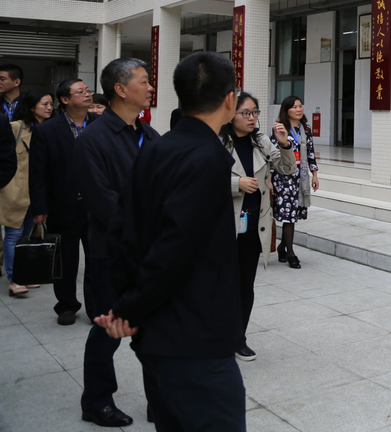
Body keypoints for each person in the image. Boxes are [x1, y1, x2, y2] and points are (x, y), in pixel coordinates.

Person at [98, 52, 245, 432]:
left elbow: (121, 233)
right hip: (194, 339)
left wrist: (127, 303)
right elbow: (174, 251)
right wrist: (128, 309)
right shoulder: (207, 158)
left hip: (158, 336)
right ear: (229, 100)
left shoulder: (157, 147)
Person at [73, 59, 160, 428]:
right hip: (113, 253)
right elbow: (102, 201)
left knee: (155, 329)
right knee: (108, 328)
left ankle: (160, 399)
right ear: (121, 90)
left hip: (151, 253)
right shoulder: (93, 140)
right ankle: (96, 401)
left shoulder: (150, 136)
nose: (151, 87)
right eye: (144, 81)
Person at [220, 92, 294, 362]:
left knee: (245, 285)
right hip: (224, 226)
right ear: (231, 114)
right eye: (245, 113)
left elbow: (287, 169)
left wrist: (285, 144)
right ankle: (218, 336)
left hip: (253, 225)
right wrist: (235, 184)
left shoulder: (261, 141)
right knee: (222, 285)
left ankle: (239, 338)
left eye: (255, 113)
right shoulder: (218, 141)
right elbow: (202, 178)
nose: (251, 118)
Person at [28, 79, 97, 324]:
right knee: (66, 260)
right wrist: (39, 208)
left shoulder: (100, 124)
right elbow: (37, 172)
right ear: (64, 100)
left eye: (87, 90)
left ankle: (97, 306)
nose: (87, 94)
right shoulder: (47, 130)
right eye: (80, 92)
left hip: (96, 205)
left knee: (98, 259)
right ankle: (67, 305)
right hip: (63, 204)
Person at [1, 90, 51, 295]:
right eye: (44, 104)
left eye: (51, 104)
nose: (49, 108)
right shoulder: (16, 127)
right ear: (31, 107)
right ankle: (14, 279)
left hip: (37, 191)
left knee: (29, 235)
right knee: (14, 233)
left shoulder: (50, 130)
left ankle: (26, 275)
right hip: (15, 190)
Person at [270, 96, 318, 269]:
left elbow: (311, 153)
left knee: (294, 214)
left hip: (301, 176)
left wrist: (314, 175)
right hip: (284, 177)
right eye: (294, 107)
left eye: (300, 106)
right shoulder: (279, 128)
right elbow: (271, 156)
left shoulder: (305, 129)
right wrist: (269, 180)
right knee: (289, 216)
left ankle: (282, 247)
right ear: (286, 110)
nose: (298, 109)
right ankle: (290, 253)